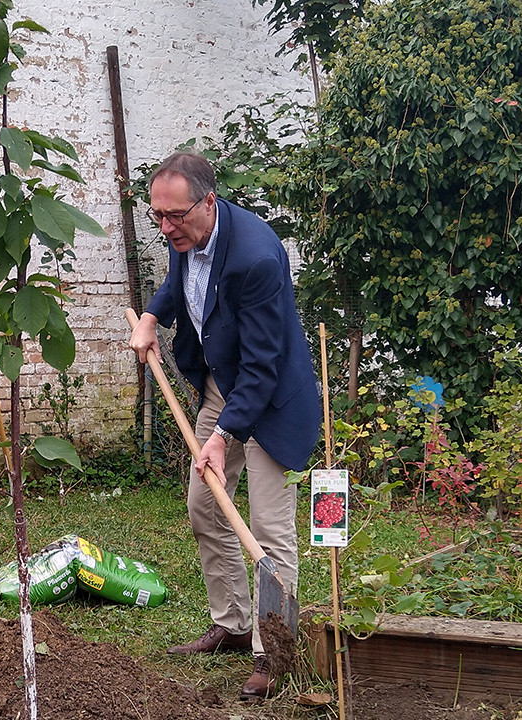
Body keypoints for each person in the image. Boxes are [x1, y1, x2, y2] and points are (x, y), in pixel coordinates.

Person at [128, 152, 321, 699]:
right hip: (224, 386)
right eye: (157, 218)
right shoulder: (184, 233)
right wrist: (149, 317)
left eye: (176, 217)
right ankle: (234, 624)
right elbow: (176, 286)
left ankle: (272, 652)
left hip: (271, 400)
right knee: (205, 504)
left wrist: (219, 436)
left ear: (209, 202)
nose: (166, 229)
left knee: (268, 529)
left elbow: (262, 368)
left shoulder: (257, 257)